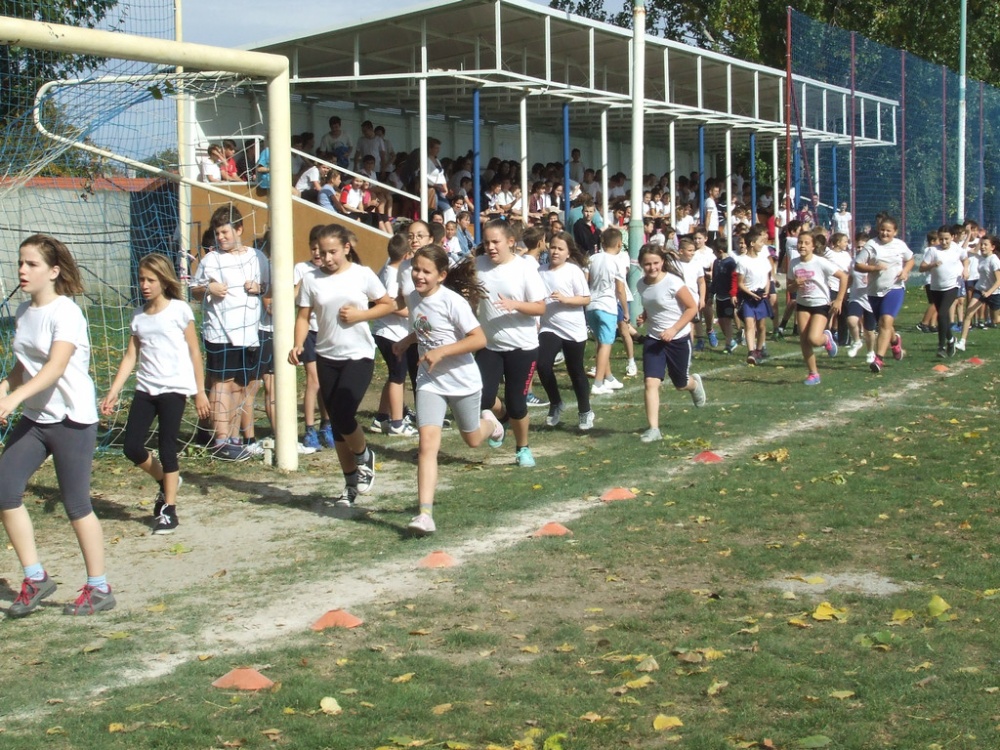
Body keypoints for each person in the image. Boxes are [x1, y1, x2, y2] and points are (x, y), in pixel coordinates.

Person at [0, 234, 115, 616]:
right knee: (4, 490)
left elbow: (55, 366)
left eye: (31, 264)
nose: (22, 270)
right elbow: (25, 365)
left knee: (76, 504)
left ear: (53, 271)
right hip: (36, 418)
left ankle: (99, 588)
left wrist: (13, 399)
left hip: (71, 419)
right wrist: (5, 387)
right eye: (20, 262)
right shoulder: (23, 311)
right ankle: (35, 578)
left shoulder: (66, 313)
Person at [393, 246, 503, 535]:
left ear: (441, 275)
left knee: (472, 440)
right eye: (416, 269)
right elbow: (427, 328)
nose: (419, 275)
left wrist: (442, 352)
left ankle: (490, 424)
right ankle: (424, 515)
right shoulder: (413, 297)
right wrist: (407, 341)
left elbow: (478, 339)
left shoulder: (452, 301)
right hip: (430, 381)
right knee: (427, 445)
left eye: (426, 271)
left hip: (463, 381)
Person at [100, 254, 211, 534]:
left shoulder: (179, 310)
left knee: (167, 448)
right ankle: (165, 480)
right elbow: (131, 356)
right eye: (141, 279)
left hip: (174, 389)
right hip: (145, 389)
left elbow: (194, 352)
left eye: (151, 280)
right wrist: (113, 391)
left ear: (164, 280)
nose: (145, 285)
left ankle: (169, 510)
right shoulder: (138, 315)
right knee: (131, 447)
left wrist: (199, 392)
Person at [290, 224, 394, 506]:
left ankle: (364, 456)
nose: (327, 258)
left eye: (332, 252)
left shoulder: (362, 274)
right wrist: (298, 344)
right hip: (326, 356)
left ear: (346, 248)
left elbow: (387, 304)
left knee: (344, 414)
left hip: (358, 355)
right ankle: (350, 484)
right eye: (322, 253)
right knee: (337, 425)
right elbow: (303, 316)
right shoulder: (311, 279)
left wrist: (361, 315)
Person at [196, 205, 268, 461]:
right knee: (221, 384)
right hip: (220, 333)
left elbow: (268, 287)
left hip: (249, 333)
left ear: (239, 229)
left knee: (241, 386)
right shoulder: (211, 260)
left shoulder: (258, 257)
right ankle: (221, 439)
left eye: (224, 232)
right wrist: (209, 289)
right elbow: (194, 289)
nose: (220, 237)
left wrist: (259, 287)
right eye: (217, 233)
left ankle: (235, 439)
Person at [475, 220, 547, 468]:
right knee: (481, 397)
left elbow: (540, 307)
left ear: (510, 242)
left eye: (495, 242)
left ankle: (522, 448)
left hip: (522, 347)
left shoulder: (524, 268)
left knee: (517, 403)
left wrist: (514, 304)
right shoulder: (478, 265)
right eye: (486, 242)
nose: (490, 247)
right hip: (489, 345)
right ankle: (503, 418)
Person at [636, 244, 706, 444]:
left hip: (678, 339)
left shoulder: (673, 282)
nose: (652, 267)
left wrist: (674, 329)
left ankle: (694, 384)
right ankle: (654, 429)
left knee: (680, 383)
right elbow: (654, 305)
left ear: (662, 262)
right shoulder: (641, 284)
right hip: (654, 339)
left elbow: (691, 308)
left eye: (655, 263)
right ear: (641, 264)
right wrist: (644, 316)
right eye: (647, 264)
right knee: (651, 382)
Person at [537, 232, 594, 431]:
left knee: (575, 371)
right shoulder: (540, 271)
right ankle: (556, 402)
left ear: (568, 253)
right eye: (553, 247)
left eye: (560, 249)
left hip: (573, 329)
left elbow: (586, 298)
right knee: (542, 365)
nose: (555, 252)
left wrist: (565, 299)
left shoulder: (573, 271)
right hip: (549, 327)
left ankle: (585, 411)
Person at [854, 215, 914, 374]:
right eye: (882, 230)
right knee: (883, 324)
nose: (885, 233)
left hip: (895, 288)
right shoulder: (871, 245)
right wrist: (874, 268)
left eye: (888, 231)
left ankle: (878, 358)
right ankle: (895, 341)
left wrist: (905, 271)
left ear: (895, 232)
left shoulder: (900, 245)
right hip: (874, 291)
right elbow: (858, 265)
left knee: (886, 321)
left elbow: (910, 260)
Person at [786, 232, 848, 385]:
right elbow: (789, 287)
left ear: (813, 246)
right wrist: (795, 285)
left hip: (820, 304)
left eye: (806, 243)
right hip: (802, 304)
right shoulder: (793, 263)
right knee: (804, 340)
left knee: (813, 338)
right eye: (800, 242)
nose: (802, 246)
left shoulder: (820, 262)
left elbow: (843, 277)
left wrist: (839, 300)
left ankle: (826, 339)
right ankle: (813, 374)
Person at [372, 233, 418, 436]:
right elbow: (390, 305)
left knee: (395, 375)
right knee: (398, 378)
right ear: (406, 254)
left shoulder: (388, 267)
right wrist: (412, 312)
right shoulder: (392, 274)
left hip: (391, 332)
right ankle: (397, 423)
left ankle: (381, 417)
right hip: (390, 333)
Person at [295, 226, 335, 451]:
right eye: (314, 249)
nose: (318, 254)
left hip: (329, 332)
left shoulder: (333, 270)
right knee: (314, 381)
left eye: (322, 249)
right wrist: (304, 281)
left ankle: (326, 425)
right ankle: (309, 429)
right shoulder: (302, 269)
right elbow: (293, 297)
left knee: (327, 382)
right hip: (310, 332)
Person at [587, 228, 627, 396]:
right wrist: (626, 310)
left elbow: (585, 280)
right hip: (607, 306)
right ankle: (598, 383)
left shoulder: (592, 258)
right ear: (619, 244)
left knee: (601, 342)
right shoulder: (618, 261)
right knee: (605, 344)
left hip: (591, 305)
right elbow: (620, 289)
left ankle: (608, 377)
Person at [919, 225, 968, 358]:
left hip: (952, 286)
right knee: (943, 317)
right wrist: (932, 265)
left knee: (941, 314)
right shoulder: (932, 251)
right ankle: (951, 340)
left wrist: (966, 269)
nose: (944, 242)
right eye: (941, 239)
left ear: (953, 237)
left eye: (946, 239)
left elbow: (965, 259)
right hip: (936, 288)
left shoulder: (957, 249)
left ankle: (941, 347)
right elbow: (921, 268)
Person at [736, 226, 773, 365]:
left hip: (761, 297)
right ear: (752, 243)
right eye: (760, 242)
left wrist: (767, 291)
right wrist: (751, 293)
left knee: (762, 326)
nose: (762, 244)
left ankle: (759, 349)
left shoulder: (763, 260)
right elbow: (740, 283)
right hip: (748, 298)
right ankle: (751, 352)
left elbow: (767, 277)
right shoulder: (743, 261)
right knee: (749, 324)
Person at [956, 234, 1000, 351]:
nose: (982, 247)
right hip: (980, 290)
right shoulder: (981, 257)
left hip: (994, 293)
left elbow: (998, 281)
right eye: (981, 244)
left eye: (986, 245)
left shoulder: (994, 261)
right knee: (969, 313)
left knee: (996, 320)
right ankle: (962, 342)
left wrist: (989, 292)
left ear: (992, 247)